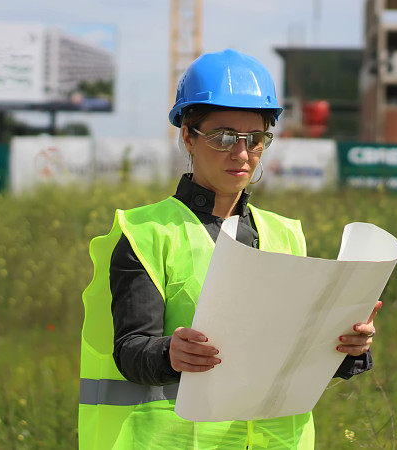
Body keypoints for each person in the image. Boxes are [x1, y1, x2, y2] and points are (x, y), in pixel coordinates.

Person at [79, 49, 381, 449]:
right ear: (188, 135)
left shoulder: (286, 234)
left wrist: (348, 349)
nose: (241, 154)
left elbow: (296, 355)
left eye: (254, 139)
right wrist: (170, 353)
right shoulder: (146, 233)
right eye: (223, 137)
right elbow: (131, 350)